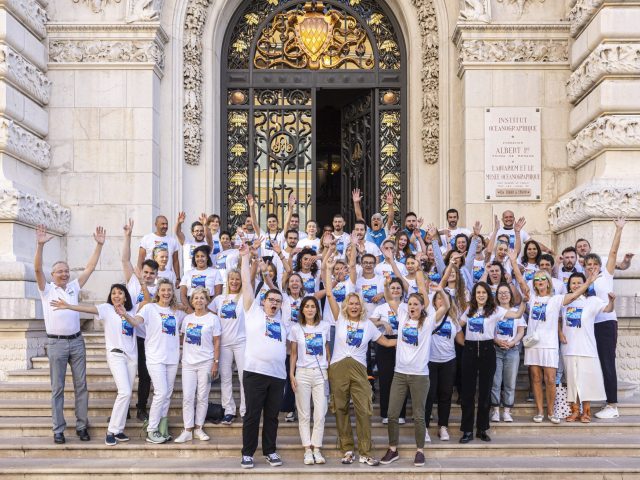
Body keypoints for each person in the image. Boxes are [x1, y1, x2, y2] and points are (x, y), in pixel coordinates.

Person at [34, 224, 105, 444]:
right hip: (56, 344)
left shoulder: (73, 286)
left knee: (81, 386)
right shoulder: (47, 290)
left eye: (66, 271)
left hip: (76, 342)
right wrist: (40, 245)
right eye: (60, 272)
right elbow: (37, 269)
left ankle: (82, 426)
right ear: (53, 275)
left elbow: (90, 268)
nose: (64, 274)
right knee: (58, 388)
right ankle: (58, 429)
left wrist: (99, 245)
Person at [324, 255, 397, 466]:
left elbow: (386, 342)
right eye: (351, 303)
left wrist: (408, 340)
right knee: (340, 408)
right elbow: (329, 293)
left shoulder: (368, 325)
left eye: (357, 304)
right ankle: (347, 449)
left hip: (358, 369)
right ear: (346, 305)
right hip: (338, 367)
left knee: (364, 409)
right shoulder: (340, 318)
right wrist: (329, 270)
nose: (354, 306)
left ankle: (365, 451)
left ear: (361, 306)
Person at [511, 255, 598, 424]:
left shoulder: (557, 299)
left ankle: (551, 412)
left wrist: (588, 282)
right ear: (535, 283)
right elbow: (521, 281)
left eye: (544, 278)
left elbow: (574, 295)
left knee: (550, 379)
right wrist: (514, 262)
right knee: (536, 378)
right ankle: (539, 411)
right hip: (533, 344)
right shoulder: (532, 298)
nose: (540, 281)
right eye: (537, 279)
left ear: (549, 282)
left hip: (550, 344)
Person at [51, 283, 136, 446]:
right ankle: (111, 431)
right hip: (116, 354)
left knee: (128, 393)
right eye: (113, 293)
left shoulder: (132, 311)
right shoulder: (106, 309)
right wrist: (68, 306)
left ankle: (118, 430)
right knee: (124, 391)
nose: (116, 296)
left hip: (132, 357)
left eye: (120, 293)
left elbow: (137, 321)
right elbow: (87, 309)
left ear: (126, 296)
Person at [380, 279, 449, 466]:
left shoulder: (428, 322)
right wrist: (387, 285)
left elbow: (447, 306)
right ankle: (392, 449)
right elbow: (388, 297)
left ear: (421, 307)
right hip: (400, 374)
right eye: (410, 303)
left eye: (416, 304)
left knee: (419, 415)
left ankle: (420, 451)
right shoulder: (402, 316)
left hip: (419, 375)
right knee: (392, 413)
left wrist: (440, 291)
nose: (412, 306)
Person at [239, 243, 290, 469]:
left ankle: (270, 451)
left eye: (278, 302)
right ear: (264, 301)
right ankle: (248, 453)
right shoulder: (253, 312)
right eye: (271, 300)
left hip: (277, 375)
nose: (275, 304)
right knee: (252, 415)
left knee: (271, 416)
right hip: (255, 373)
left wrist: (268, 277)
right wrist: (245, 259)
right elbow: (246, 285)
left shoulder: (283, 317)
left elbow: (281, 295)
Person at [458, 281, 525, 443]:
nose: (480, 295)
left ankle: (482, 428)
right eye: (478, 292)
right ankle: (467, 430)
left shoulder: (495, 310)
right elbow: (457, 327)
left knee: (485, 391)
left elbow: (516, 315)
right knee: (467, 393)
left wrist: (525, 301)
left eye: (484, 292)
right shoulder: (469, 310)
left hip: (488, 350)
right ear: (474, 295)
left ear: (488, 295)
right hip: (470, 350)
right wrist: (465, 344)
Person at [123, 278, 185, 444]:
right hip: (155, 357)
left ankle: (162, 427)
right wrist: (125, 315)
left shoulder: (177, 311)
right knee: (161, 392)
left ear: (173, 293)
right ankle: (151, 429)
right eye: (163, 290)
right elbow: (136, 322)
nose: (166, 293)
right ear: (158, 292)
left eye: (169, 290)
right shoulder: (149, 308)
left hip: (172, 357)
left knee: (167, 394)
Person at [586, 217, 627, 419]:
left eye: (595, 264)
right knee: (596, 363)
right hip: (589, 326)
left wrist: (618, 229)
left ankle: (612, 404)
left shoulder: (606, 275)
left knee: (607, 362)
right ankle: (600, 399)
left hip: (606, 324)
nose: (592, 266)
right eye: (588, 264)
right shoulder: (585, 281)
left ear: (600, 265)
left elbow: (613, 252)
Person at [561, 273, 615, 423]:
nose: (576, 285)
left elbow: (608, 310)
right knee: (572, 383)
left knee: (587, 383)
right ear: (569, 285)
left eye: (579, 282)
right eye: (573, 283)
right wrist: (560, 333)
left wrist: (612, 301)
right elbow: (558, 320)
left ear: (585, 284)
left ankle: (586, 412)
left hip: (587, 349)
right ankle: (574, 411)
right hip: (568, 349)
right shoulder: (565, 302)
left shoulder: (592, 301)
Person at [121, 219, 157, 421]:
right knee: (126, 374)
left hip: (146, 338)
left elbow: (150, 303)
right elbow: (125, 260)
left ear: (156, 274)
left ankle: (141, 407)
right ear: (141, 271)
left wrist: (144, 284)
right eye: (145, 272)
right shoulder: (132, 281)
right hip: (129, 335)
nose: (148, 275)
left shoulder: (158, 287)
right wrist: (127, 236)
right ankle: (123, 408)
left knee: (145, 375)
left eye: (152, 273)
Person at [288, 296, 332, 465]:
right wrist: (291, 374)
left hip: (321, 374)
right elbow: (293, 353)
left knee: (320, 413)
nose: (310, 309)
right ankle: (307, 449)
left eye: (313, 306)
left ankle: (317, 449)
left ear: (317, 310)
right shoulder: (296, 328)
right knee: (304, 414)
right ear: (302, 310)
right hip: (302, 373)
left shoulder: (325, 326)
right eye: (307, 306)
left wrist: (329, 369)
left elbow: (327, 350)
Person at [174, 287, 221, 443]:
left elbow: (217, 342)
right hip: (188, 363)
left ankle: (198, 428)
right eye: (196, 298)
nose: (199, 301)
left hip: (206, 363)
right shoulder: (187, 319)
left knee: (202, 396)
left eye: (202, 298)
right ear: (192, 301)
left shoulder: (213, 319)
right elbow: (182, 339)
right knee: (187, 397)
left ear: (207, 301)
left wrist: (215, 363)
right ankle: (187, 429)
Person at [209, 269, 246, 425]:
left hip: (241, 342)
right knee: (225, 377)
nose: (235, 282)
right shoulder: (219, 299)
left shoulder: (244, 297)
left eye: (237, 279)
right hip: (223, 344)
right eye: (232, 279)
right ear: (227, 281)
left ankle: (245, 410)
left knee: (244, 378)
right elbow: (208, 315)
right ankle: (229, 410)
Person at [490, 282, 526, 423]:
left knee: (510, 382)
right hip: (496, 350)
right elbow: (489, 330)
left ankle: (506, 411)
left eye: (506, 292)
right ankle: (495, 411)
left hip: (512, 350)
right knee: (496, 381)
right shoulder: (493, 311)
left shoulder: (517, 311)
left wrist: (512, 342)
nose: (504, 295)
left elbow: (521, 331)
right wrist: (497, 340)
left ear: (511, 295)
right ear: (496, 296)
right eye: (500, 293)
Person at [138, 215, 181, 281]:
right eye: (163, 224)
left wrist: (178, 278)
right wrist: (140, 275)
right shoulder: (146, 238)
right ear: (156, 224)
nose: (165, 226)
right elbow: (141, 259)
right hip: (150, 277)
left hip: (167, 277)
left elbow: (175, 261)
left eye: (166, 224)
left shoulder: (173, 241)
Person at [179, 245, 223, 309]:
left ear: (207, 258)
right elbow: (183, 295)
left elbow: (218, 293)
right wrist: (189, 309)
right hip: (191, 307)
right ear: (194, 258)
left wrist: (208, 308)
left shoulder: (215, 272)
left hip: (209, 307)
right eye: (197, 256)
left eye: (202, 256)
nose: (200, 259)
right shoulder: (187, 273)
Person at [175, 212, 213, 276]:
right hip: (188, 278)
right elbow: (178, 232)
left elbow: (209, 237)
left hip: (204, 277)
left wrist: (205, 225)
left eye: (201, 231)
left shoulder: (207, 245)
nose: (199, 233)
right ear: (192, 233)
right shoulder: (187, 243)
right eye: (197, 231)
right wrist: (179, 223)